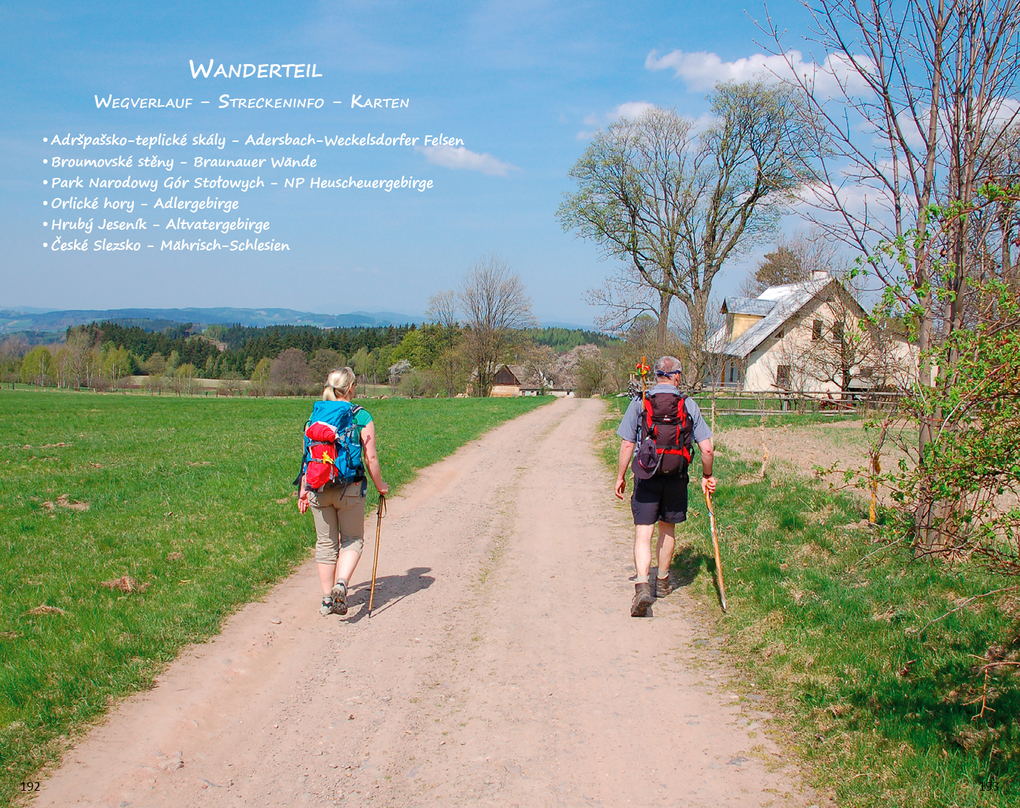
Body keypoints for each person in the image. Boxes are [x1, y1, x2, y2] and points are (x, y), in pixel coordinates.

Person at [615, 356, 716, 617]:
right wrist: (707, 475)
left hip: (646, 475)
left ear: (656, 375)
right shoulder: (687, 404)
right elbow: (707, 447)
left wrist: (621, 476)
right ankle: (661, 582)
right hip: (676, 475)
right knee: (667, 528)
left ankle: (641, 585)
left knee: (643, 532)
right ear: (677, 376)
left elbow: (627, 443)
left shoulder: (641, 402)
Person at [297, 367, 388, 616]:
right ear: (350, 388)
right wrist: (381, 486)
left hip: (318, 487)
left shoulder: (316, 415)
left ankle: (327, 600)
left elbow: (308, 455)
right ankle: (341, 583)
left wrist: (303, 490)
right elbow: (370, 457)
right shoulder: (360, 416)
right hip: (350, 486)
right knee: (352, 539)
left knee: (326, 543)